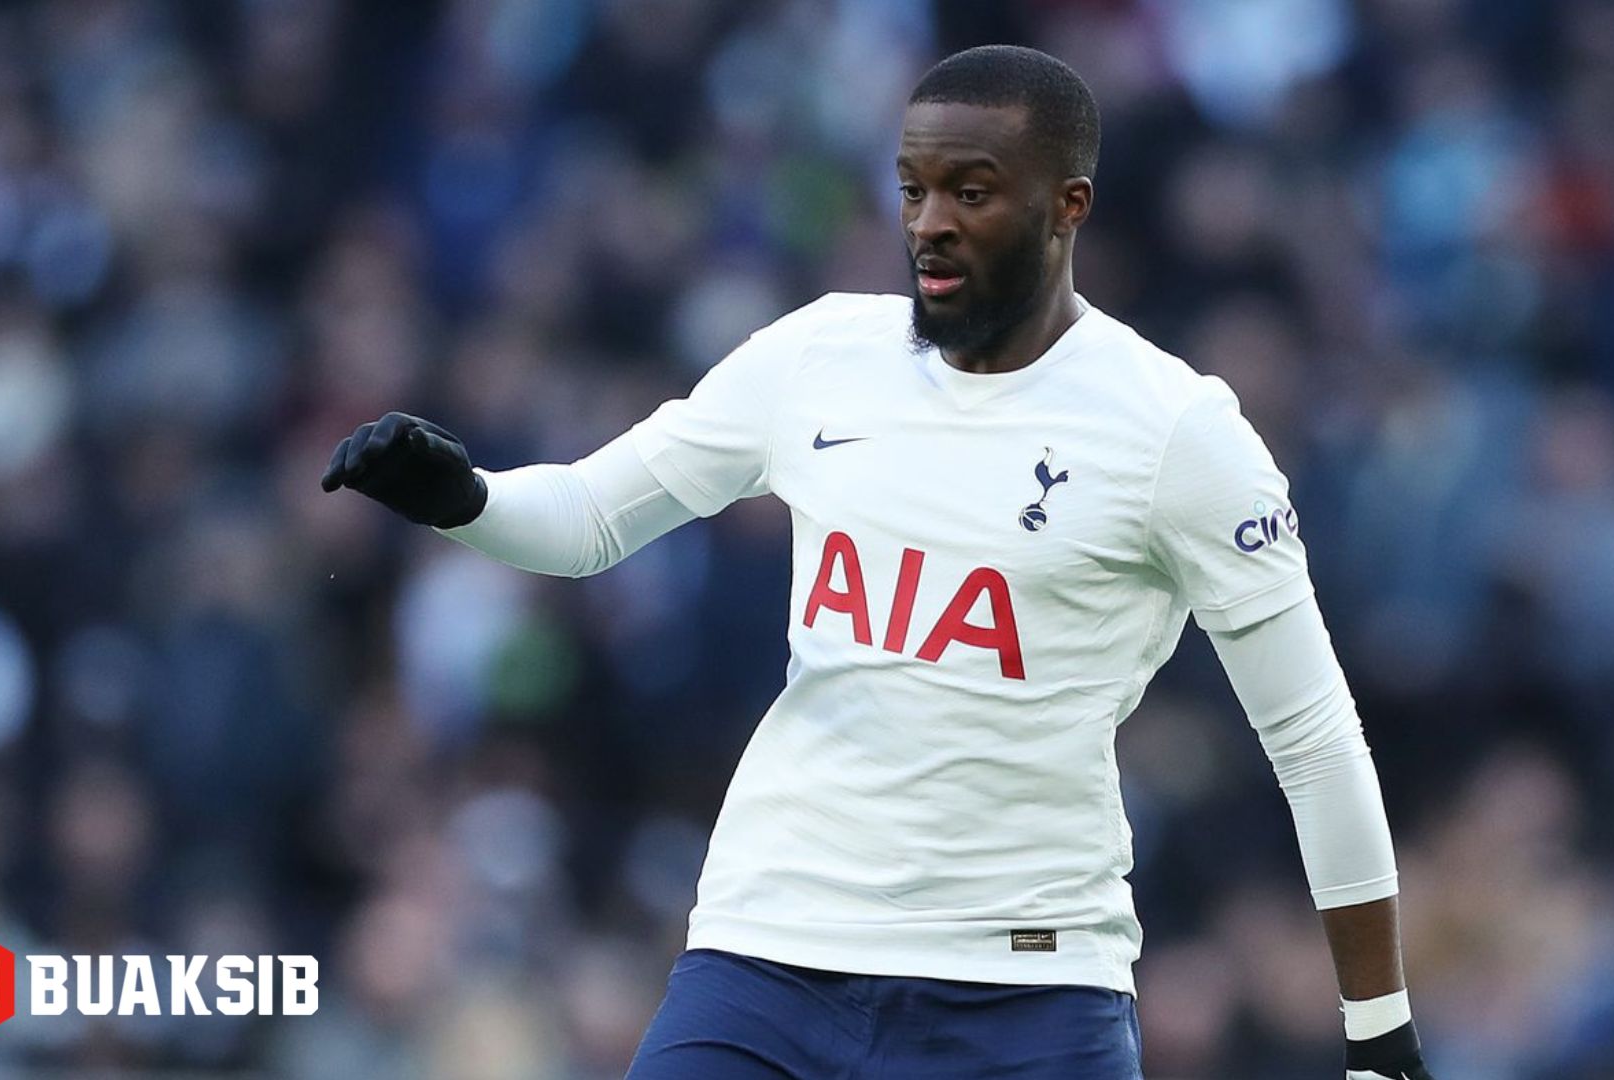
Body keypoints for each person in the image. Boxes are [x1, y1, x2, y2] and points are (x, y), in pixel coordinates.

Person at [323, 44, 1432, 1080]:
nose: (930, 225)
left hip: (1026, 990)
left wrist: (1378, 1031)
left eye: (972, 193)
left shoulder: (1177, 432)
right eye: (912, 190)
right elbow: (589, 521)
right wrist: (462, 499)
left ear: (1068, 206)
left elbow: (1313, 739)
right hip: (769, 956)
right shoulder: (820, 356)